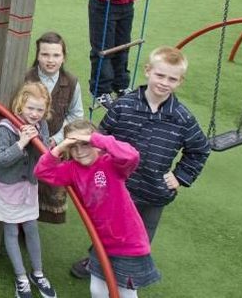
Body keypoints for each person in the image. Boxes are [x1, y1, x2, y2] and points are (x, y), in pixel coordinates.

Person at [71, 47, 209, 280]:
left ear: (180, 81)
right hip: (117, 188)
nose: (164, 83)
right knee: (107, 228)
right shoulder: (123, 106)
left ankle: (129, 273)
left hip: (153, 192)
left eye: (172, 79)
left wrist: (179, 176)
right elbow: (102, 139)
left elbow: (200, 149)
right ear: (148, 71)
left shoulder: (182, 117)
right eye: (160, 75)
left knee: (141, 235)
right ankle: (96, 260)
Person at [36, 120, 161, 298]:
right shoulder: (72, 169)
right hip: (101, 242)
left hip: (128, 242)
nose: (80, 151)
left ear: (96, 144)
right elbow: (43, 172)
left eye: (85, 144)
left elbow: (131, 156)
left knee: (125, 293)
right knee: (98, 290)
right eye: (73, 146)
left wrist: (95, 139)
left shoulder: (111, 164)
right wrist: (60, 148)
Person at [0, 82, 56, 298]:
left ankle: (38, 273)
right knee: (11, 231)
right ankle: (21, 278)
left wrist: (39, 141)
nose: (35, 114)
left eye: (39, 110)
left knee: (31, 228)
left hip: (29, 187)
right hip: (8, 189)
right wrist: (22, 142)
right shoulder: (4, 128)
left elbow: (43, 157)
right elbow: (1, 160)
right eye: (30, 108)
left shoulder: (42, 125)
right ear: (20, 106)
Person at [25, 32, 83, 224]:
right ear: (38, 55)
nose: (50, 60)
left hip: (55, 145)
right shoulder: (27, 78)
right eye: (45, 55)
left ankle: (36, 221)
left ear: (63, 57)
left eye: (56, 55)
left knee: (49, 185)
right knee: (25, 184)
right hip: (28, 143)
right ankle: (21, 224)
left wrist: (57, 139)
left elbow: (75, 114)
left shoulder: (71, 82)